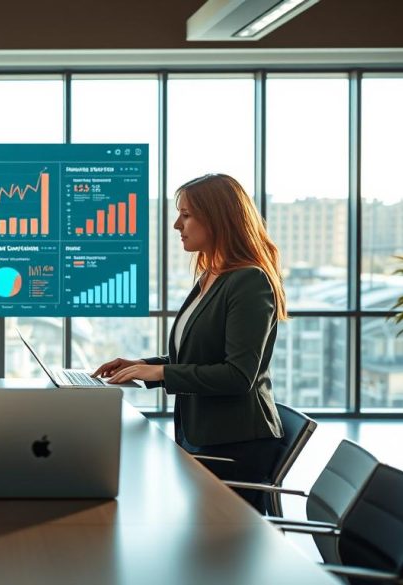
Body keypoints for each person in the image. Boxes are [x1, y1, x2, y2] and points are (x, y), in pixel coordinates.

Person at [93, 173, 287, 513]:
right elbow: (198, 354)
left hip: (236, 446)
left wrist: (161, 374)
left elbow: (238, 376)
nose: (176, 225)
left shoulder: (249, 281)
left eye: (186, 215)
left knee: (215, 549)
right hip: (202, 435)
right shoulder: (212, 275)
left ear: (217, 218)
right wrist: (142, 365)